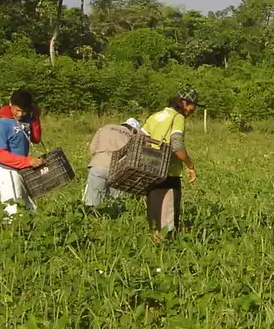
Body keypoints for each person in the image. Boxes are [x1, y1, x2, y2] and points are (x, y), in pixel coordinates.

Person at [143, 88, 201, 242]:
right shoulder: (178, 117)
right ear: (184, 103)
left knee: (154, 212)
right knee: (168, 214)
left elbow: (140, 139)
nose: (192, 110)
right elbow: (176, 144)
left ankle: (154, 240)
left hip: (150, 169)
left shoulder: (154, 117)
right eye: (192, 106)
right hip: (168, 171)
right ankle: (166, 243)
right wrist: (190, 166)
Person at [0, 92, 45, 223]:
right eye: (18, 110)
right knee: (13, 210)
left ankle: (28, 236)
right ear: (11, 105)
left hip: (21, 170)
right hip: (7, 171)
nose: (20, 114)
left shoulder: (27, 119)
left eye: (24, 111)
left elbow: (36, 139)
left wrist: (35, 118)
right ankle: (9, 237)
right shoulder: (3, 124)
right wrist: (27, 161)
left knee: (31, 208)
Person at [84, 118, 142, 210]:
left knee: (92, 202)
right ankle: (113, 220)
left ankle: (91, 219)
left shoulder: (105, 128)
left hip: (98, 165)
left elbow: (92, 148)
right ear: (134, 130)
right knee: (116, 204)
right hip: (118, 170)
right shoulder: (131, 136)